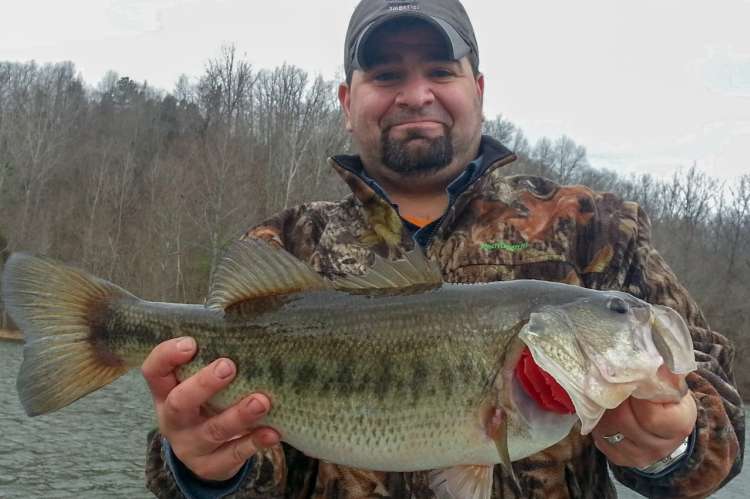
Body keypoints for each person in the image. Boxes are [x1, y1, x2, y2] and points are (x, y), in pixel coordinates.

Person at [143, 0, 744, 497]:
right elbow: (188, 460)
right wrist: (202, 468)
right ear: (347, 103)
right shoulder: (288, 247)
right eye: (385, 76)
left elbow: (724, 423)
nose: (416, 94)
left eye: (440, 70)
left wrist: (674, 446)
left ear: (477, 89)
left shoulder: (594, 227)